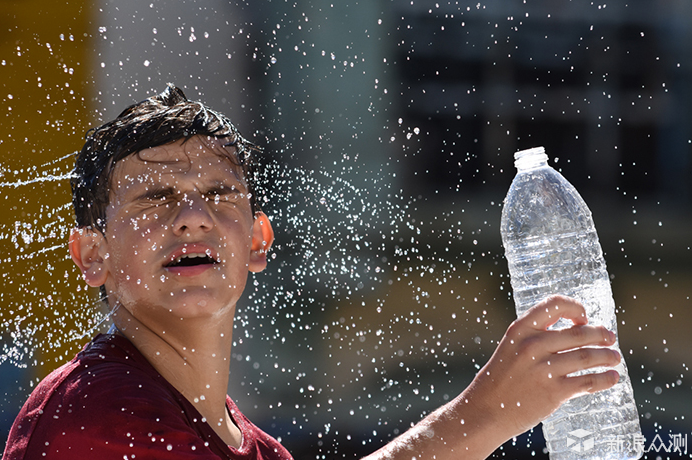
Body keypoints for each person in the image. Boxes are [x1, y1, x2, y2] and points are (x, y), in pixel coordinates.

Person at [3, 84, 621, 460]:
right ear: (91, 257)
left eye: (220, 194)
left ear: (257, 242)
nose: (192, 217)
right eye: (155, 197)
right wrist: (488, 412)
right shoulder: (92, 412)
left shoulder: (261, 449)